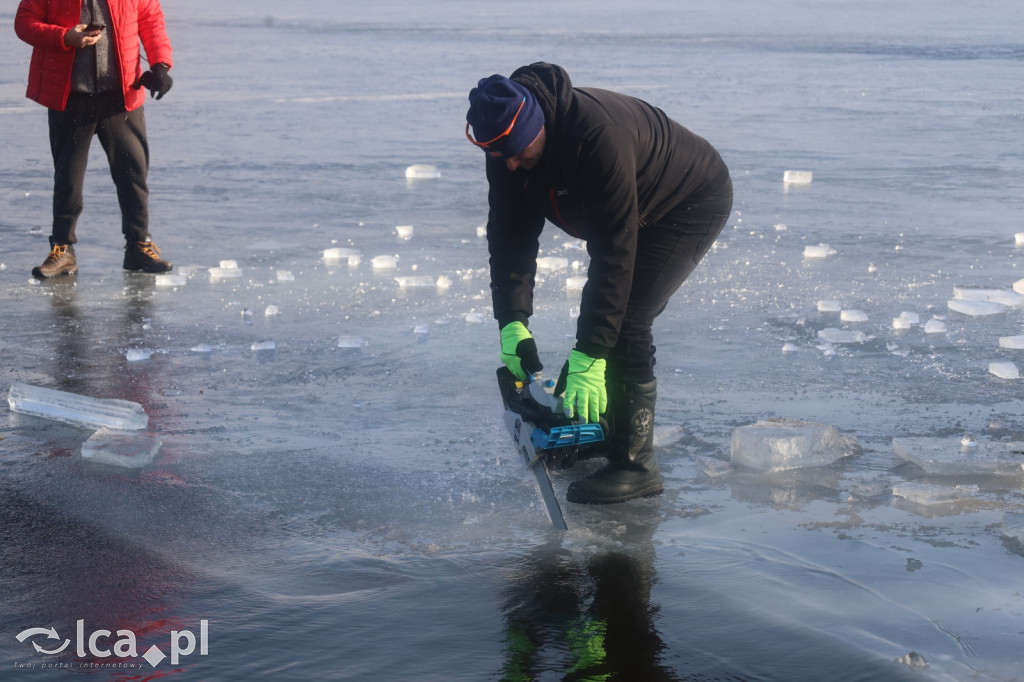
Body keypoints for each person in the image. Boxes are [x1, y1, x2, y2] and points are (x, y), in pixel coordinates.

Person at [466, 62, 733, 505]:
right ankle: (600, 433)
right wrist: (512, 320)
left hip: (688, 200)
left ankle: (635, 464)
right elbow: (509, 234)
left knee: (626, 321)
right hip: (632, 203)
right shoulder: (506, 152)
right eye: (499, 154)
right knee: (596, 345)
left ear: (538, 126)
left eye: (517, 151)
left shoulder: (597, 138)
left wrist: (590, 353)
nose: (511, 164)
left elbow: (613, 254)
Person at [15, 0, 175, 279]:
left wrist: (160, 65)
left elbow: (151, 19)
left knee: (133, 175)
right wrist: (66, 37)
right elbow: (25, 23)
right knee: (68, 177)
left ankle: (139, 246)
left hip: (122, 96)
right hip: (71, 97)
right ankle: (62, 250)